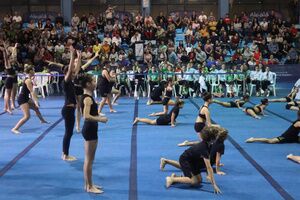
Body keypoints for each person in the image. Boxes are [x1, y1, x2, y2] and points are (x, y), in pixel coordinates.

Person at [161, 126, 224, 194]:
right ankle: (171, 179)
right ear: (212, 139)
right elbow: (209, 167)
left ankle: (176, 177)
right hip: (185, 160)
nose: (217, 138)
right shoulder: (204, 148)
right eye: (216, 137)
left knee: (199, 181)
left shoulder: (207, 143)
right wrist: (214, 185)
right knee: (193, 181)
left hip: (193, 161)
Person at [80, 74, 108, 194]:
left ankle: (88, 184)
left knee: (89, 159)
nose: (95, 83)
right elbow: (85, 116)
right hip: (89, 129)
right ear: (88, 84)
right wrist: (99, 119)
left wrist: (97, 116)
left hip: (90, 129)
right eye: (93, 81)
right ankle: (89, 186)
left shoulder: (87, 97)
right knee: (89, 160)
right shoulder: (87, 99)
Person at [161, 127, 228, 176]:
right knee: (187, 167)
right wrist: (218, 170)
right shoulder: (221, 145)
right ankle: (168, 164)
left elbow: (201, 144)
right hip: (205, 160)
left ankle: (167, 161)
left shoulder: (213, 141)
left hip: (203, 157)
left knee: (185, 165)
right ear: (224, 137)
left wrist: (188, 143)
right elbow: (218, 159)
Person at [11, 66, 48, 134]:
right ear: (30, 71)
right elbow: (32, 92)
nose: (34, 71)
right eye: (33, 70)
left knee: (36, 108)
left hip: (26, 98)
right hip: (22, 99)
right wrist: (36, 101)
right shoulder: (28, 80)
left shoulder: (29, 79)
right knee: (27, 116)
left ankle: (42, 120)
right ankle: (14, 128)